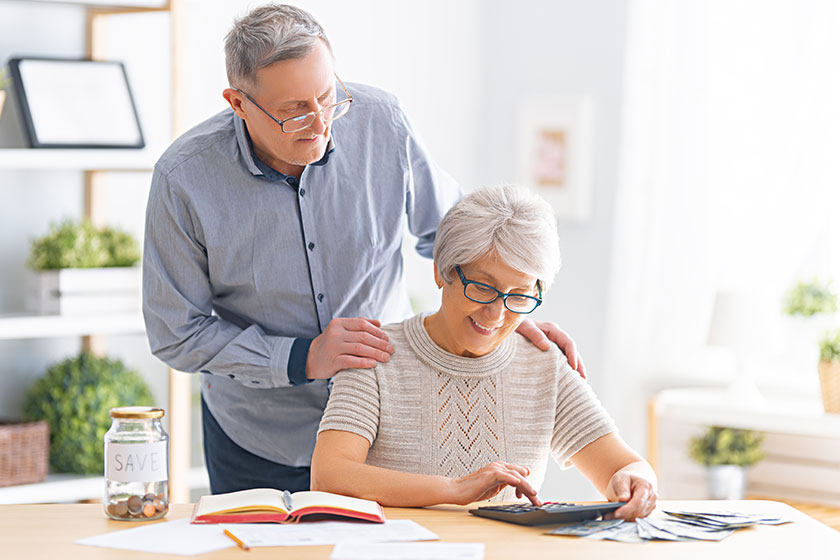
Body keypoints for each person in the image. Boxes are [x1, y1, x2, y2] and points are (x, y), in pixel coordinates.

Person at [143, 3, 584, 495]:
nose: (320, 123)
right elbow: (176, 332)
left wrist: (502, 310)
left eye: (327, 97)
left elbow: (456, 238)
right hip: (260, 439)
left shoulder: (383, 123)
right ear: (238, 103)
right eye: (293, 111)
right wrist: (302, 357)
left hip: (389, 430)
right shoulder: (184, 179)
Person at [311, 185, 657, 520]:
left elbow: (625, 466)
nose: (496, 314)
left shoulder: (542, 363)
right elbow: (329, 476)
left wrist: (637, 482)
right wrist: (454, 489)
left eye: (519, 295)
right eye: (482, 287)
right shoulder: (373, 355)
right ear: (441, 271)